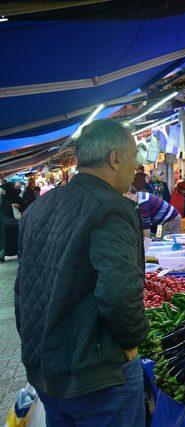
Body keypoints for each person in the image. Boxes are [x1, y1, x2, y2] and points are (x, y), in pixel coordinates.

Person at [14, 119, 148, 426]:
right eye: (133, 158)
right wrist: (131, 340)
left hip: (47, 371)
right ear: (115, 158)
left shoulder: (38, 208)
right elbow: (119, 292)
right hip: (97, 377)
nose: (136, 167)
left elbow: (23, 290)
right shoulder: (111, 208)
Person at [0, 179, 22, 262]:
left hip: (13, 221)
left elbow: (23, 204)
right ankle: (6, 254)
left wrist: (18, 205)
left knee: (12, 238)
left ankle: (12, 253)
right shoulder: (5, 197)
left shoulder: (14, 197)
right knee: (7, 238)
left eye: (4, 190)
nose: (3, 191)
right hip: (6, 221)